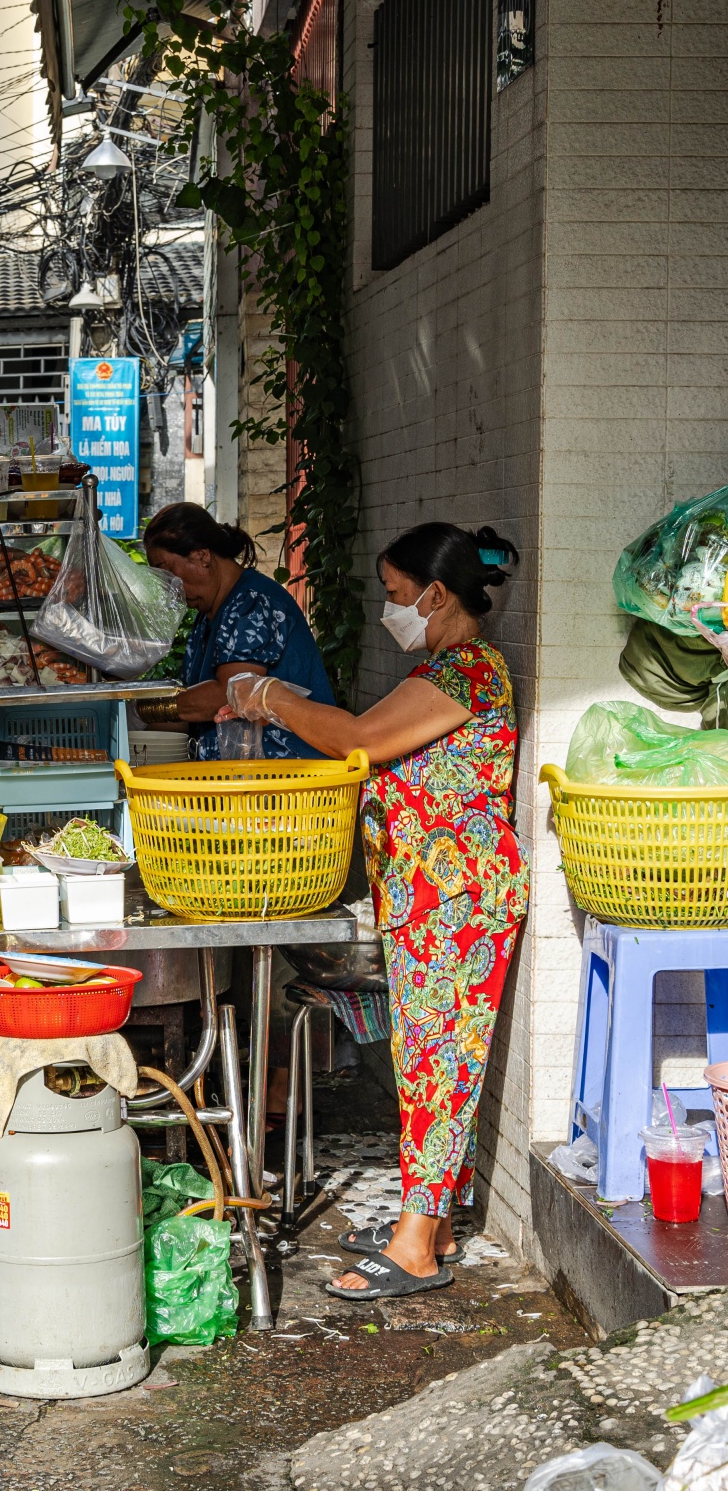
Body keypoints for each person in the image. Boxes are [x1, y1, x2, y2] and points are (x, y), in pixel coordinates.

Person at [220, 522, 525, 1303]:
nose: (391, 608)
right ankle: (437, 1221)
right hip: (430, 894)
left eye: (395, 594)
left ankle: (417, 1244)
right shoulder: (440, 669)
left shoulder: (467, 673)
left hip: (458, 897)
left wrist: (271, 696)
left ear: (436, 593)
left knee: (440, 1067)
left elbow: (358, 740)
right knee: (425, 1066)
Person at [142, 503, 335, 759]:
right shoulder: (207, 616)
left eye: (167, 571)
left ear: (202, 556)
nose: (168, 587)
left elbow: (231, 693)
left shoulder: (252, 603)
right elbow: (191, 712)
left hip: (286, 781)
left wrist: (144, 710)